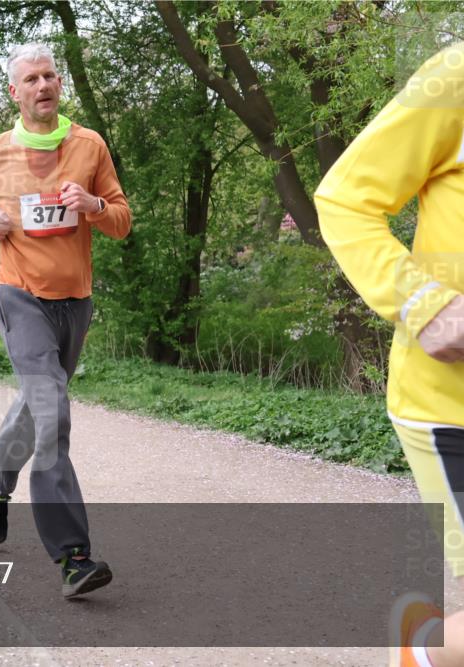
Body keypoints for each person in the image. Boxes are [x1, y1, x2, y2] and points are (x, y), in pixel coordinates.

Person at [0, 43, 131, 598]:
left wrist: (94, 207)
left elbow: (121, 220)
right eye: (31, 79)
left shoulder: (89, 146)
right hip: (19, 294)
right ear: (15, 92)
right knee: (52, 408)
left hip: (74, 300)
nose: (43, 85)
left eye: (49, 76)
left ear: (60, 84)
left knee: (40, 405)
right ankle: (73, 556)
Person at [314, 41, 463, 667]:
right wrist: (423, 304)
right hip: (450, 404)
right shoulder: (457, 76)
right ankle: (424, 649)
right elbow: (345, 199)